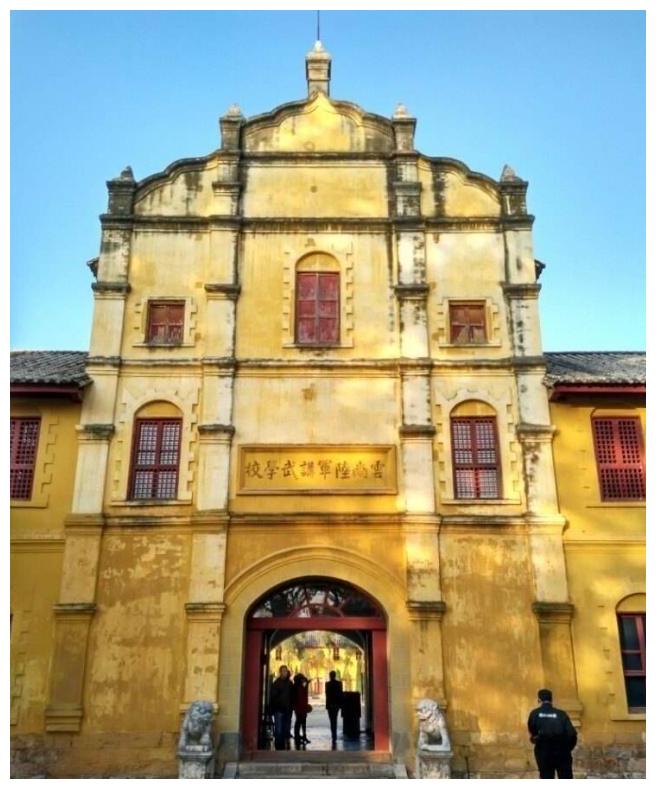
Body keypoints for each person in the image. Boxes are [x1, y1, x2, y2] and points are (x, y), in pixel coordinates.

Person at [527, 688, 577, 779]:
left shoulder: (534, 714)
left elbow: (532, 733)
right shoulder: (561, 714)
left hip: (543, 752)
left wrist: (537, 740)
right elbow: (572, 734)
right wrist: (567, 749)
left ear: (539, 700)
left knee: (546, 777)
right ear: (551, 700)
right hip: (562, 751)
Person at [269, 665, 293, 750]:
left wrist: (291, 707)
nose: (284, 673)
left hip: (288, 710)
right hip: (279, 710)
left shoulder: (290, 683)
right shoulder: (276, 683)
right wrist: (278, 705)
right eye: (283, 671)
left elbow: (292, 696)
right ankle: (278, 747)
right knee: (278, 730)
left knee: (286, 729)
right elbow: (273, 696)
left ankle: (283, 746)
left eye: (286, 671)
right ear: (280, 672)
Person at [325, 670, 343, 747]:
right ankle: (334, 735)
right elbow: (340, 694)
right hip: (336, 704)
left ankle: (333, 735)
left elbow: (327, 695)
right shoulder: (339, 684)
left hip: (330, 705)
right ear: (335, 675)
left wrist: (327, 705)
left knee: (331, 720)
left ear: (330, 676)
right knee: (335, 719)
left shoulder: (327, 684)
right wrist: (341, 704)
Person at [292, 673, 311, 747]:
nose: (303, 680)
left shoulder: (297, 686)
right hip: (301, 707)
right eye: (302, 678)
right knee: (301, 723)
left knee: (299, 722)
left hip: (300, 707)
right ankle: (301, 737)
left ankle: (300, 737)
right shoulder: (300, 686)